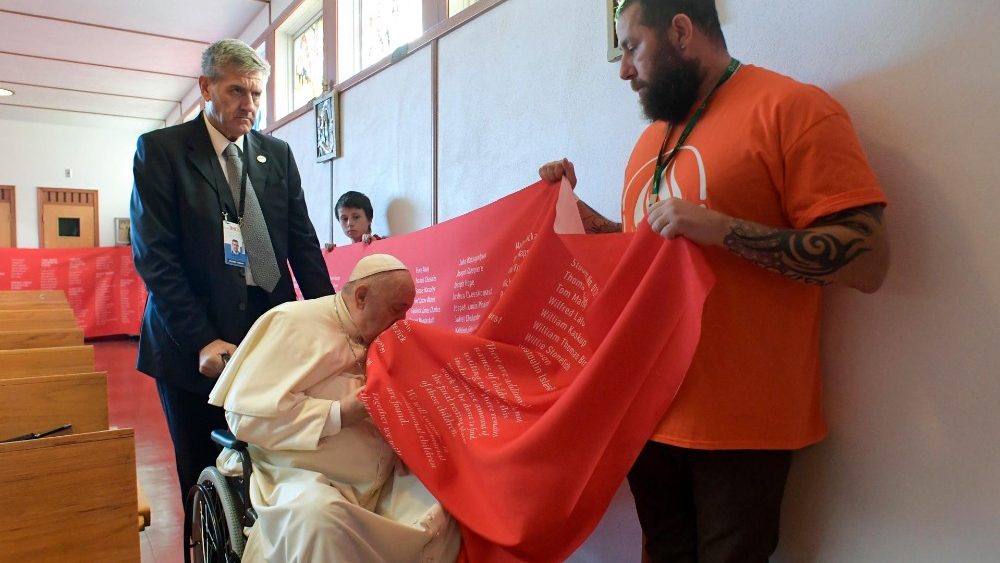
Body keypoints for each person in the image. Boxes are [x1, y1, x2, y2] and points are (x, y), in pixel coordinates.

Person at [538, 1, 889, 560]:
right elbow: (647, 256)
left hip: (742, 424)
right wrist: (574, 212)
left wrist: (723, 230)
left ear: (680, 31)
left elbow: (869, 260)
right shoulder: (649, 143)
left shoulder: (792, 108)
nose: (623, 70)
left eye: (631, 47)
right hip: (645, 413)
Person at [130, 38, 334, 549]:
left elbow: (303, 246)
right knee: (203, 470)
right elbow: (156, 257)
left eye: (257, 94)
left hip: (265, 341)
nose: (249, 105)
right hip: (191, 345)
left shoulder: (275, 155)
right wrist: (201, 339)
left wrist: (333, 322)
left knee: (269, 469)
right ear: (206, 88)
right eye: (236, 91)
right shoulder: (163, 152)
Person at [208, 254, 461, 562]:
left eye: (407, 310)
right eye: (397, 309)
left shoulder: (386, 336)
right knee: (320, 518)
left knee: (445, 501)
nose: (403, 321)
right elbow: (245, 418)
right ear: (362, 297)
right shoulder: (292, 322)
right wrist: (338, 413)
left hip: (380, 478)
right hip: (298, 473)